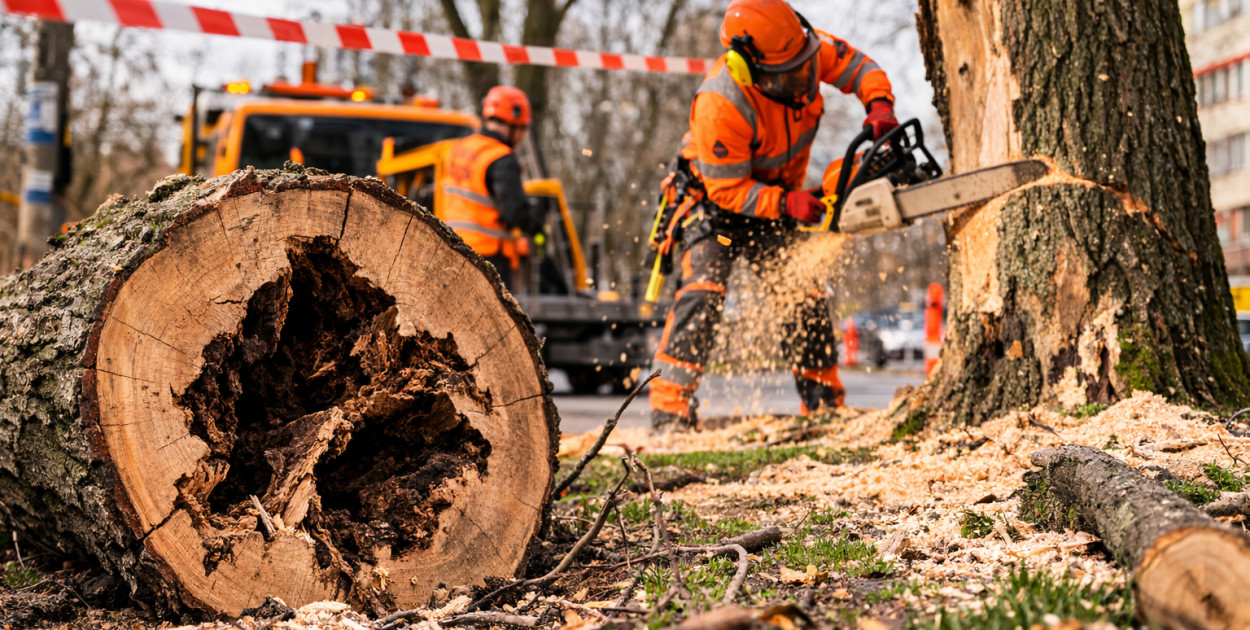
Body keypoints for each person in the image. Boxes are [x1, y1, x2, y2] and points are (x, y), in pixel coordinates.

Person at [648, 0, 899, 431]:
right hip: (712, 200)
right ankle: (669, 412)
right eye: (789, 74)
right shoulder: (720, 103)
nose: (804, 78)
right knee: (704, 291)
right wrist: (786, 204)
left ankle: (824, 405)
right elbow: (727, 189)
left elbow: (858, 66)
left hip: (777, 195)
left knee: (801, 291)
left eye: (805, 65)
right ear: (749, 69)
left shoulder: (800, 51)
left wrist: (879, 104)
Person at [440, 86, 544, 289]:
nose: (522, 136)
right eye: (522, 129)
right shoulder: (501, 159)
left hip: (451, 249)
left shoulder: (460, 149)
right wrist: (537, 227)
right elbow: (515, 211)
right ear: (512, 124)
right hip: (488, 259)